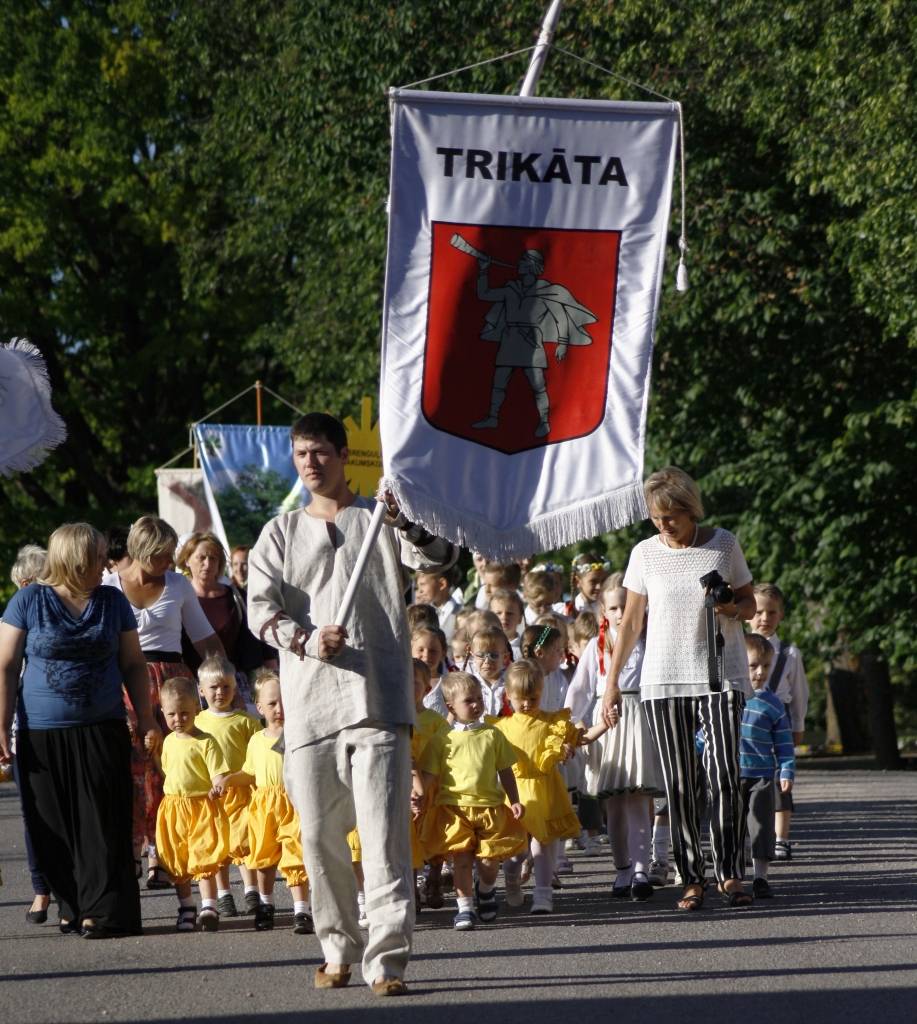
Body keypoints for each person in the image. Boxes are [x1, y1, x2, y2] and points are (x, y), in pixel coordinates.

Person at [246, 411, 457, 997]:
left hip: (378, 699)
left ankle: (386, 961)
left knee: (384, 838)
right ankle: (337, 948)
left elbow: (439, 558)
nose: (310, 463)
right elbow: (259, 611)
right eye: (301, 454)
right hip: (309, 704)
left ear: (343, 456)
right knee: (317, 837)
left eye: (320, 452)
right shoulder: (278, 533)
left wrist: (404, 519)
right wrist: (305, 639)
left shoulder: (378, 519)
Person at [601, 467, 757, 911]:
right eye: (656, 517)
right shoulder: (644, 553)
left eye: (670, 515)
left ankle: (730, 872)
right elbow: (631, 622)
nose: (663, 524)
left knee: (725, 776)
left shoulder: (723, 544)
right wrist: (612, 684)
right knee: (680, 783)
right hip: (662, 680)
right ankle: (691, 878)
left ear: (691, 510)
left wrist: (731, 607)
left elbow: (749, 602)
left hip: (720, 674)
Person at [0, 523, 160, 937]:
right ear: (75, 561)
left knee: (102, 822)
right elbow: (6, 665)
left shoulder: (112, 601)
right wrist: (1, 724)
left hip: (101, 728)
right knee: (51, 825)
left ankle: (103, 911)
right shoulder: (28, 601)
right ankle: (71, 905)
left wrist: (145, 717)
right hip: (41, 732)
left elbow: (133, 664)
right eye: (98, 557)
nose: (106, 565)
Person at [103, 515, 224, 889]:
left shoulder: (178, 584)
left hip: (173, 683)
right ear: (142, 551)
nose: (170, 561)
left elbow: (204, 639)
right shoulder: (109, 586)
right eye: (162, 554)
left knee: (170, 769)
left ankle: (162, 853)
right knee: (131, 771)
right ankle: (131, 850)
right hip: (125, 682)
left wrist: (223, 677)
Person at [568, 581, 662, 900]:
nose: (621, 613)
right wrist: (578, 725)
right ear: (602, 612)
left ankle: (641, 870)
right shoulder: (595, 648)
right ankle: (622, 869)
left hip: (639, 719)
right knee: (615, 806)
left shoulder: (648, 642)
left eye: (626, 606)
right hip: (606, 725)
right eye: (614, 607)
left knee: (638, 800)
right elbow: (578, 692)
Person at [418, 672, 527, 930]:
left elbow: (506, 770)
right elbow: (429, 775)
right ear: (451, 707)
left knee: (489, 863)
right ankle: (464, 908)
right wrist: (418, 796)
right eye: (469, 700)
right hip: (454, 809)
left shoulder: (493, 734)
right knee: (462, 860)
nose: (477, 704)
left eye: (479, 698)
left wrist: (515, 800)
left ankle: (486, 890)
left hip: (489, 807)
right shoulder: (442, 739)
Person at [492, 659, 595, 914]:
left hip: (544, 789)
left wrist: (597, 727)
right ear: (508, 695)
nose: (527, 704)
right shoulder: (501, 728)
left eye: (533, 698)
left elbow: (580, 738)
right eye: (521, 699)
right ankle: (512, 879)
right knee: (516, 852)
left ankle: (543, 895)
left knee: (543, 844)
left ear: (541, 693)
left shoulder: (551, 722)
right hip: (515, 793)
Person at [217, 669, 313, 934]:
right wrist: (229, 780)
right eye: (272, 704)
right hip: (264, 806)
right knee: (263, 857)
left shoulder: (298, 736)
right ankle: (265, 904)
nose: (279, 709)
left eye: (284, 702)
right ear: (259, 707)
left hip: (293, 802)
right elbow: (250, 773)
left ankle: (302, 909)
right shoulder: (257, 741)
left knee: (296, 855)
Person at [472, 248, 597, 438]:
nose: (520, 264)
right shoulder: (510, 289)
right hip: (510, 338)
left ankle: (544, 422)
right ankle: (493, 417)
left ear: (532, 266)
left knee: (538, 385)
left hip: (531, 341)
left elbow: (560, 317)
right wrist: (483, 271)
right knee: (499, 382)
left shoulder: (545, 292)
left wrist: (562, 343)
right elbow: (484, 294)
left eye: (524, 261)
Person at [154, 676, 230, 932]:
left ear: (197, 708)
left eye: (185, 713)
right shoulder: (168, 742)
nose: (178, 719)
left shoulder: (206, 741)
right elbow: (168, 772)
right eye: (172, 714)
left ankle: (209, 906)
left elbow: (217, 773)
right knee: (177, 861)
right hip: (174, 808)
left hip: (201, 807)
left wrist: (218, 785)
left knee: (203, 857)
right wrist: (153, 755)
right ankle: (186, 907)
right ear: (163, 712)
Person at [5, 544, 52, 924]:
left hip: (57, 726)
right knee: (35, 814)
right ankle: (42, 889)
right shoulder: (14, 618)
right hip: (24, 731)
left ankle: (66, 890)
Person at [195, 654, 261, 916]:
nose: (220, 692)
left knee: (244, 844)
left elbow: (259, 755)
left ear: (235, 689)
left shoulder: (246, 722)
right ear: (201, 690)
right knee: (218, 846)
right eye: (213, 687)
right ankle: (223, 894)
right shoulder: (197, 723)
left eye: (226, 687)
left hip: (242, 792)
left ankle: (252, 890)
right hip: (211, 796)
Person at [750, 582, 809, 861]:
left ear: (781, 615)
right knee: (749, 778)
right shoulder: (738, 648)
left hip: (779, 721)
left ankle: (781, 838)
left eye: (771, 612)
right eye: (758, 612)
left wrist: (798, 725)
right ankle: (750, 835)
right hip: (748, 721)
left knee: (780, 781)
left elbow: (799, 693)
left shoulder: (789, 654)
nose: (765, 618)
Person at [177, 531, 275, 690]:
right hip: (191, 687)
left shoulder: (237, 597)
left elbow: (262, 641)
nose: (207, 564)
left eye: (213, 558)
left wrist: (271, 680)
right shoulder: (177, 599)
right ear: (187, 560)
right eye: (201, 557)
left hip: (233, 685)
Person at [740, 634, 795, 898]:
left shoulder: (773, 704)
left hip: (761, 775)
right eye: (753, 666)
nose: (760, 672)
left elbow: (784, 743)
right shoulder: (727, 698)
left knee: (761, 826)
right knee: (729, 825)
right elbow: (707, 734)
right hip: (729, 773)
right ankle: (730, 874)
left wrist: (786, 770)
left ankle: (760, 876)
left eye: (766, 666)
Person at [467, 626, 512, 715]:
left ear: (505, 657)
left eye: (494, 655)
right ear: (473, 656)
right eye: (481, 655)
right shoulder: (468, 683)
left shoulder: (512, 682)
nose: (487, 661)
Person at [413, 568, 462, 642]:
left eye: (423, 584)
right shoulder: (425, 614)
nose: (420, 591)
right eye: (418, 587)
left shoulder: (459, 613)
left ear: (442, 584)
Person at [490, 588, 525, 658]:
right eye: (498, 613)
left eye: (509, 613)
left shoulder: (525, 650)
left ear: (520, 618)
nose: (504, 617)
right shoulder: (484, 646)